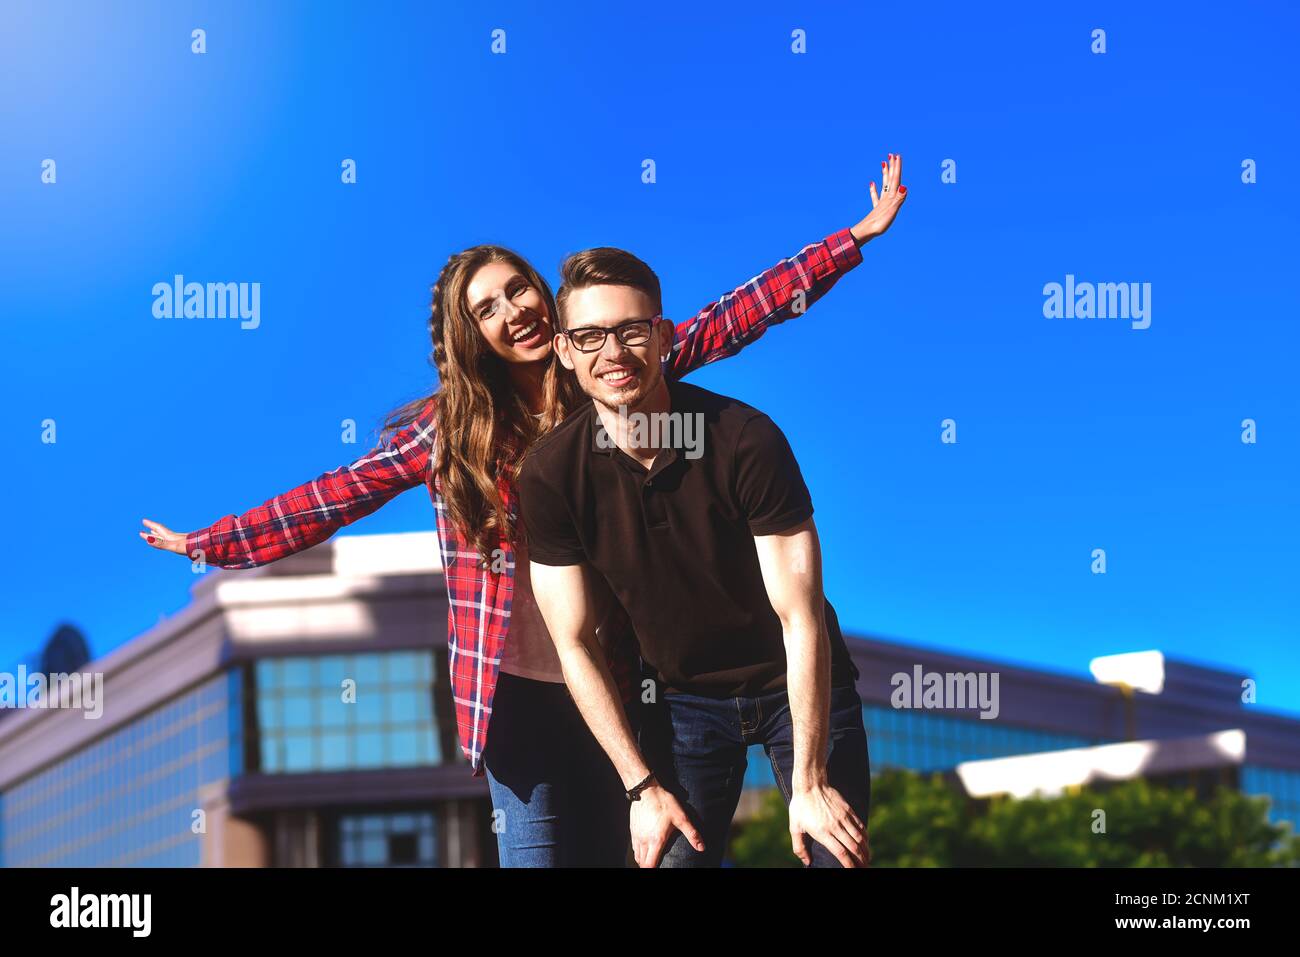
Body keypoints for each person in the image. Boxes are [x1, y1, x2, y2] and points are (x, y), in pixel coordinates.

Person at [141, 154, 907, 866]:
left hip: (618, 686)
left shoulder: (608, 368)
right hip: (517, 700)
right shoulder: (451, 433)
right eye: (487, 309)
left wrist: (851, 240)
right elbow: (337, 492)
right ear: (470, 337)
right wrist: (215, 542)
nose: (515, 310)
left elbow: (734, 315)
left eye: (519, 288)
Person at [518, 151, 907, 866]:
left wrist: (812, 779)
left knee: (836, 853)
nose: (616, 351)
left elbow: (800, 613)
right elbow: (574, 642)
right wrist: (640, 785)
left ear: (664, 337)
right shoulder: (549, 474)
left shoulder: (744, 439)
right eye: (592, 336)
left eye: (634, 330)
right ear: (567, 353)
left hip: (798, 684)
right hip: (683, 702)